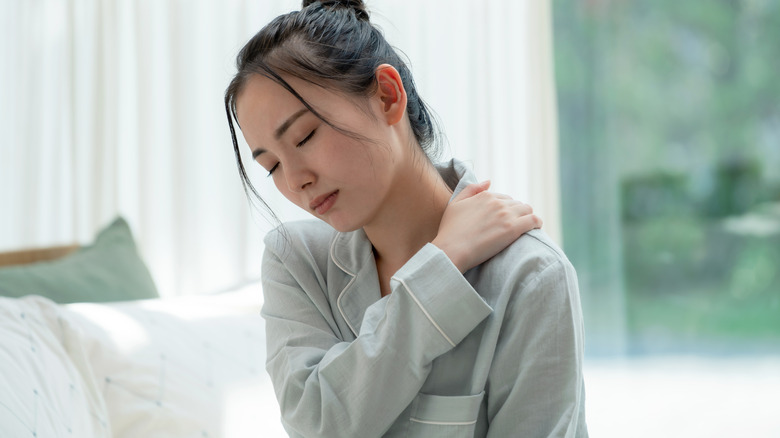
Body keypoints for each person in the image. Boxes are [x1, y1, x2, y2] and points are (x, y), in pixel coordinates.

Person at [224, 1, 588, 436]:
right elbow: (317, 424)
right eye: (272, 167)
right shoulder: (296, 262)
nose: (296, 180)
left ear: (387, 96)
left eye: (305, 136)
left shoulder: (530, 276)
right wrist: (442, 263)